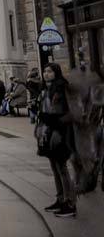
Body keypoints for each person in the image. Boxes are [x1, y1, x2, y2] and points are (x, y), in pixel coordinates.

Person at [35, 63, 76, 218]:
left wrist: (57, 121)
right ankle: (60, 199)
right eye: (44, 71)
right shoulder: (45, 89)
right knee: (54, 166)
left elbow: (72, 111)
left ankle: (70, 203)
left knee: (62, 167)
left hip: (60, 131)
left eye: (50, 71)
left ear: (56, 73)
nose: (46, 74)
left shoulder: (62, 88)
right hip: (47, 130)